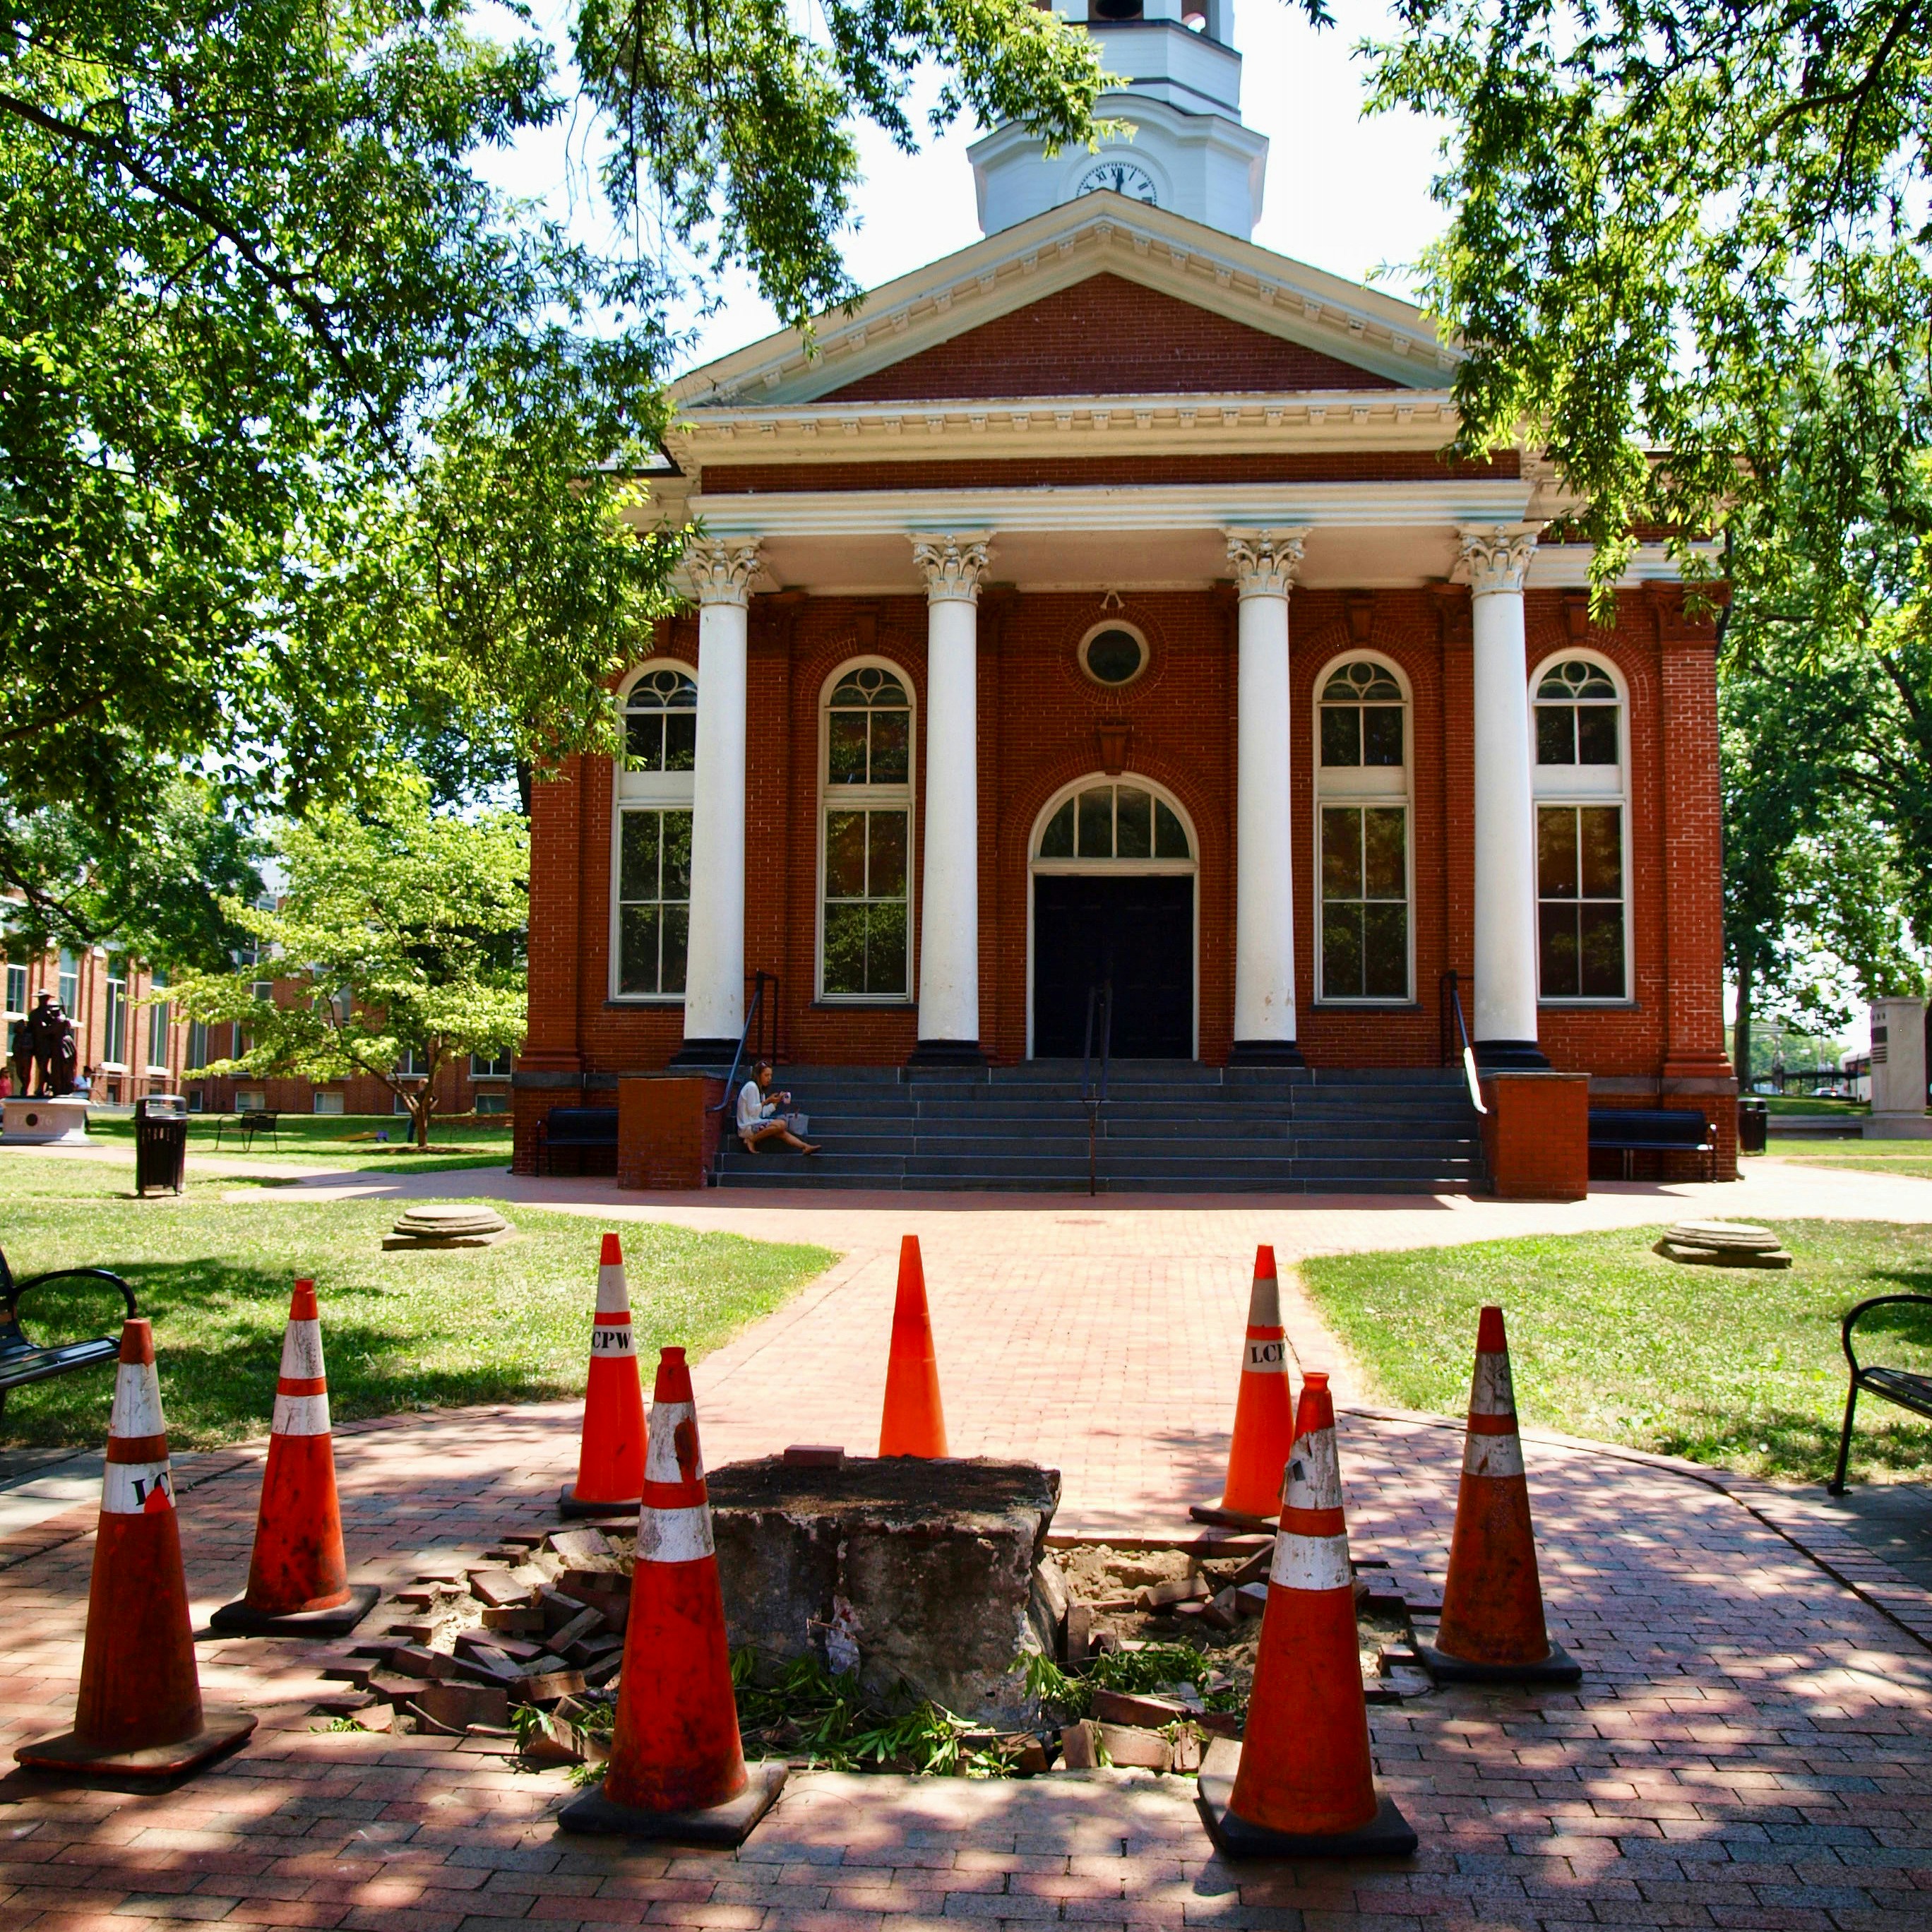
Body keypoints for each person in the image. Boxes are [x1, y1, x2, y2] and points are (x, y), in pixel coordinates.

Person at [737, 1061, 819, 1155]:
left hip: (755, 1123)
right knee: (781, 1124)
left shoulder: (761, 1091)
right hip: (748, 1126)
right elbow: (752, 1112)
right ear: (758, 1075)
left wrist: (775, 1103)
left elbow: (762, 1114)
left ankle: (805, 1147)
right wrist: (767, 1101)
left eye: (771, 1075)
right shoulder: (751, 1087)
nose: (769, 1078)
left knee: (780, 1130)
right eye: (766, 1075)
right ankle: (751, 1140)